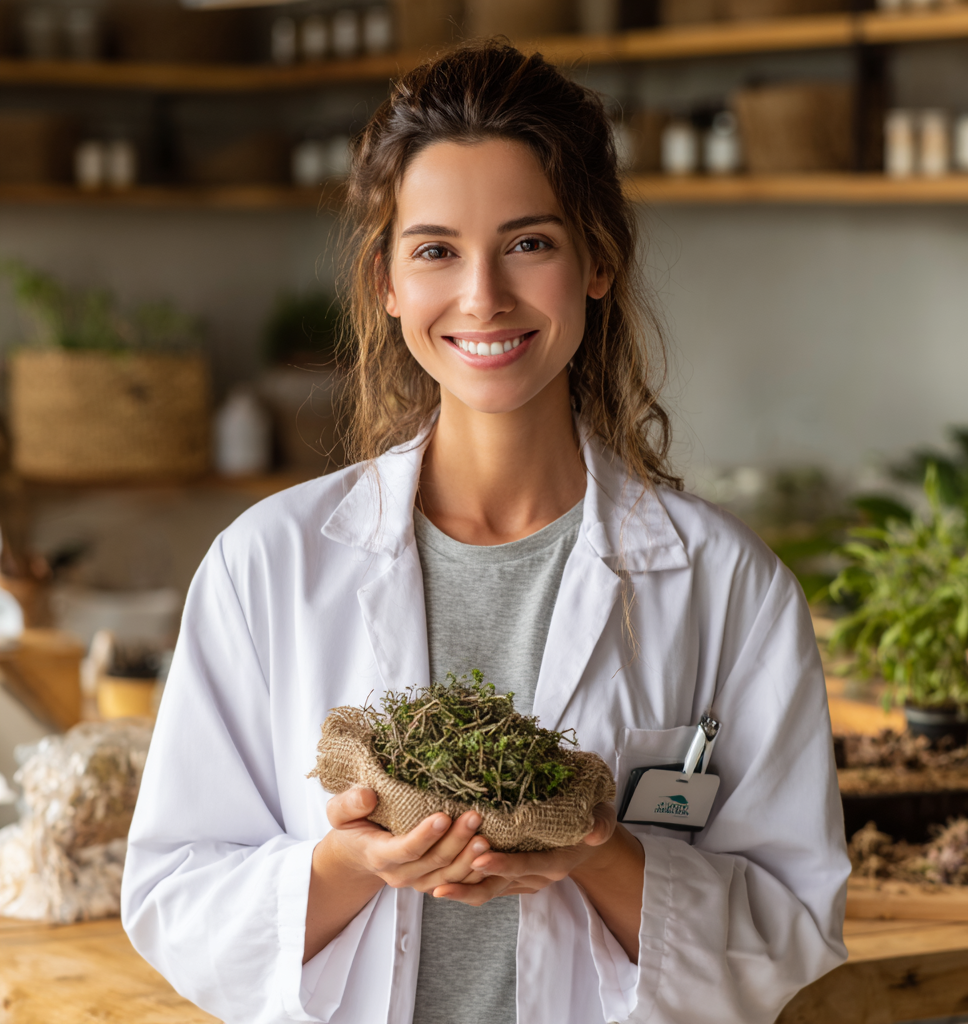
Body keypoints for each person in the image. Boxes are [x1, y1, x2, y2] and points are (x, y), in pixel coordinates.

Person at [122, 40, 849, 1024]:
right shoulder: (270, 562)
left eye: (528, 242)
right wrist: (351, 863)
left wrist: (598, 849)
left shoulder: (725, 583)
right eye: (435, 250)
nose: (482, 296)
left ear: (598, 258)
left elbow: (792, 929)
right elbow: (173, 897)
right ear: (386, 281)